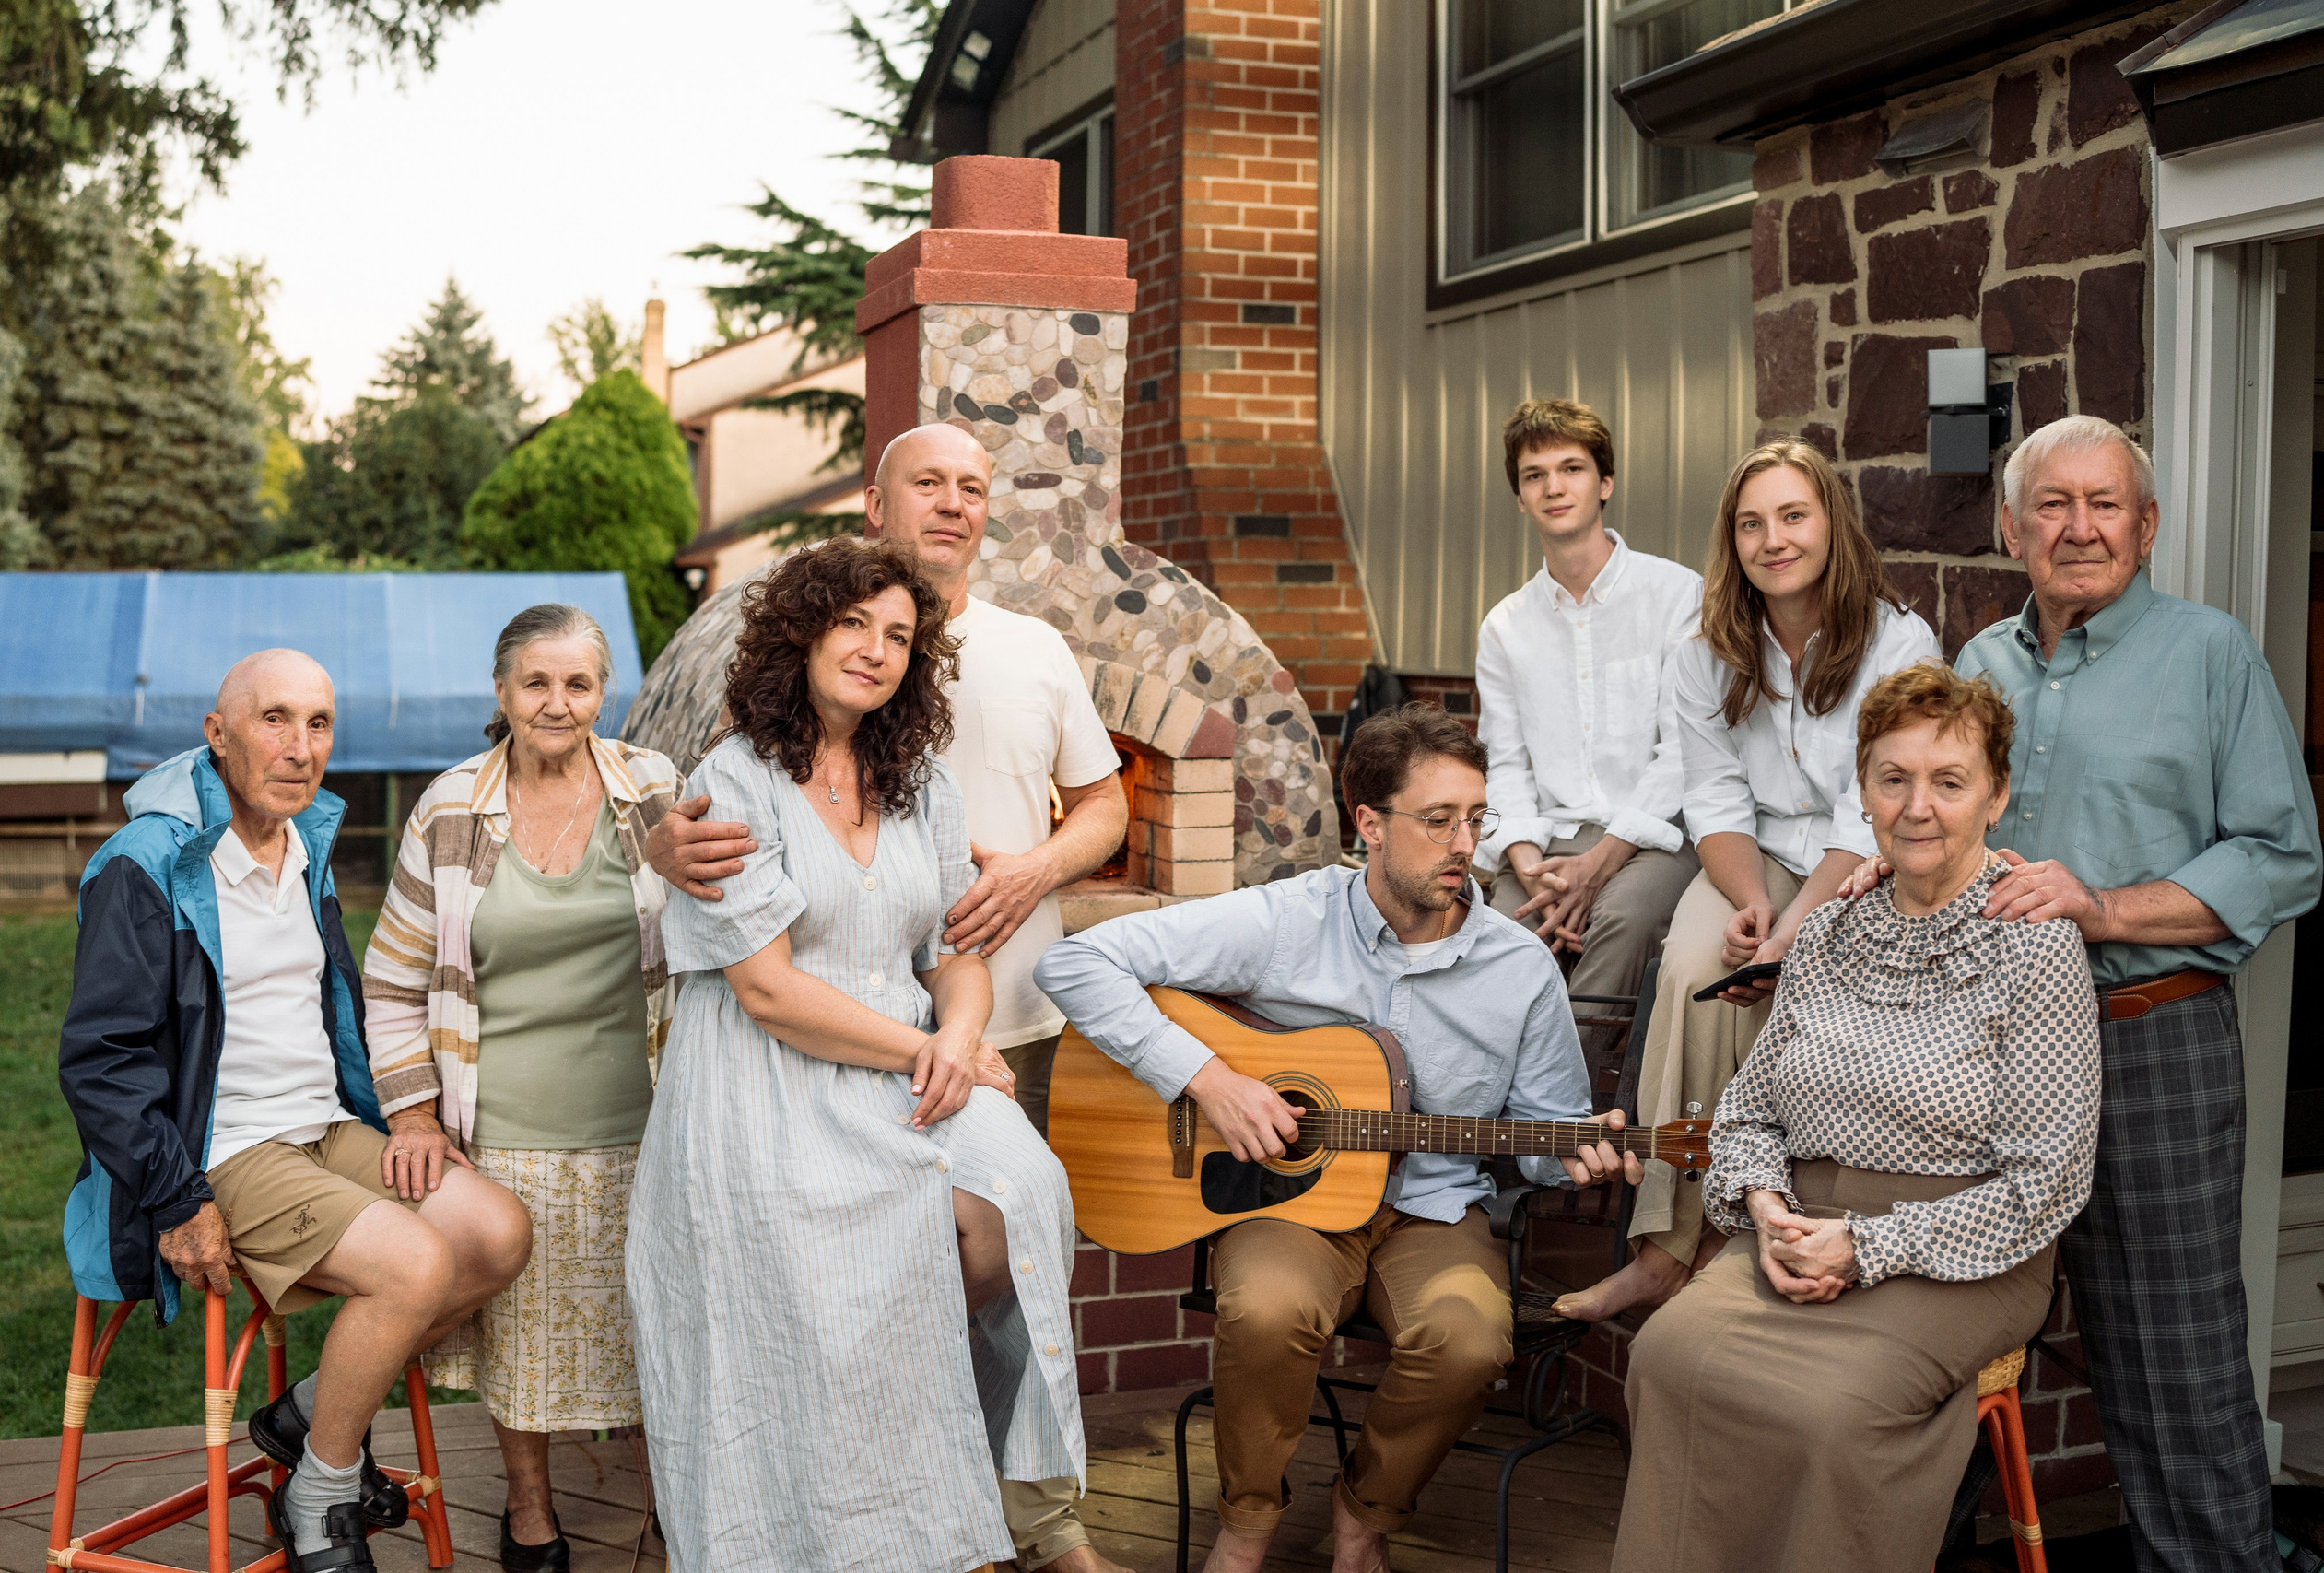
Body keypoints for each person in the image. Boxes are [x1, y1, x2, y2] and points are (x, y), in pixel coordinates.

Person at [647, 421, 1132, 1573]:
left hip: (919, 1057)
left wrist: (959, 1031)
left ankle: (960, 1499)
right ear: (805, 631)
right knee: (847, 1282)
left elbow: (952, 946)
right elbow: (765, 991)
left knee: (1019, 1196)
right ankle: (834, 1527)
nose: (873, 648)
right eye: (852, 625)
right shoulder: (733, 776)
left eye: (898, 636)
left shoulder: (914, 783)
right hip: (771, 1079)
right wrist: (930, 1055)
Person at [1840, 416, 2319, 1572]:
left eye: (2106, 504)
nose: (2080, 527)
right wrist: (1894, 860)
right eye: (2052, 505)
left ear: (2145, 528)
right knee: (1931, 1338)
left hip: (2146, 1041)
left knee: (2173, 1358)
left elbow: (2281, 855)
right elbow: (1940, 815)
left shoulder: (2210, 655)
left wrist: (2100, 906)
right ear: (2011, 528)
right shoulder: (1978, 665)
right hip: (1981, 1051)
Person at [1035, 705, 1642, 1573]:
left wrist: (1576, 1152)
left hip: (1432, 1210)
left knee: (1469, 1339)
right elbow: (1073, 963)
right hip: (1289, 1205)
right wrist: (1210, 1080)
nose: (1463, 842)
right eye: (1437, 820)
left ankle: (1366, 1510)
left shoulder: (1520, 966)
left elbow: (1545, 1132)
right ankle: (1248, 1519)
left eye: (1476, 817)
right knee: (1266, 1309)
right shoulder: (1286, 920)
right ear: (1368, 824)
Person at [1608, 662, 2101, 1573]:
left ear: (1993, 796)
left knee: (1829, 1415)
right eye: (1892, 779)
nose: (1918, 806)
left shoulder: (2036, 947)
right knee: (1669, 1357)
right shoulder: (1830, 931)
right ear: (1863, 793)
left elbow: (2045, 1184)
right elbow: (1749, 1115)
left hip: (1965, 1252)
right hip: (1800, 1225)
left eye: (1948, 782)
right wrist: (1762, 1208)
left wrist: (1868, 1248)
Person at [56, 651, 532, 1573]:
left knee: (499, 1233)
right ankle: (319, 1490)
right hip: (220, 1147)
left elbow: (335, 1009)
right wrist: (176, 1197)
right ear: (218, 733)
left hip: (322, 1124)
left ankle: (309, 1412)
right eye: (274, 719)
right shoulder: (147, 865)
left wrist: (403, 1117)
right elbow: (100, 1061)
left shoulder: (305, 839)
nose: (299, 746)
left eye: (318, 723)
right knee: (415, 1264)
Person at [1557, 437, 1940, 1324]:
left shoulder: (1899, 642)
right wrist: (1752, 903)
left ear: (1832, 526)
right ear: (1731, 542)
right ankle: (1660, 1247)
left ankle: (1758, 1230)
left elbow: (1871, 808)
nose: (1773, 539)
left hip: (1867, 863)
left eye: (1793, 516)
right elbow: (1714, 793)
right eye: (1751, 523)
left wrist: (1794, 930)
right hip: (1753, 856)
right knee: (1696, 972)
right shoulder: (1705, 652)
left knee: (1791, 982)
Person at [362, 605, 677, 1572]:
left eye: (577, 683)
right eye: (535, 683)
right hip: (499, 1125)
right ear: (501, 695)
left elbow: (722, 928)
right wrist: (413, 1111)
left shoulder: (654, 791)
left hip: (654, 1116)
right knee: (523, 1344)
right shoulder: (452, 806)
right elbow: (390, 975)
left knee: (663, 1332)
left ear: (603, 693)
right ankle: (530, 1511)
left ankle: (677, 1506)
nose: (557, 702)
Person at [1478, 398, 1702, 1006]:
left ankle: (1573, 1100)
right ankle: (1495, 1100)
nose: (1554, 486)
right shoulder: (1504, 627)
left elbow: (1683, 751)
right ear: (1520, 498)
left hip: (1653, 842)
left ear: (1605, 482)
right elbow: (1505, 766)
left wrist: (1600, 865)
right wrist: (1530, 870)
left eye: (1571, 468)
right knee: (1499, 941)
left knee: (1622, 925)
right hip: (1545, 846)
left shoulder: (1677, 596)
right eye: (1534, 475)